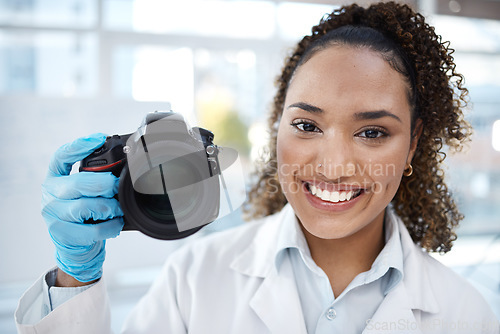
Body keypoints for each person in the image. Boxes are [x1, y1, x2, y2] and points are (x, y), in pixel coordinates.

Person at [15, 2, 500, 333]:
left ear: (413, 144)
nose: (332, 166)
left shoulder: (467, 315)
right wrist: (74, 279)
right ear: (277, 129)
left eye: (372, 132)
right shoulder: (194, 277)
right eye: (307, 126)